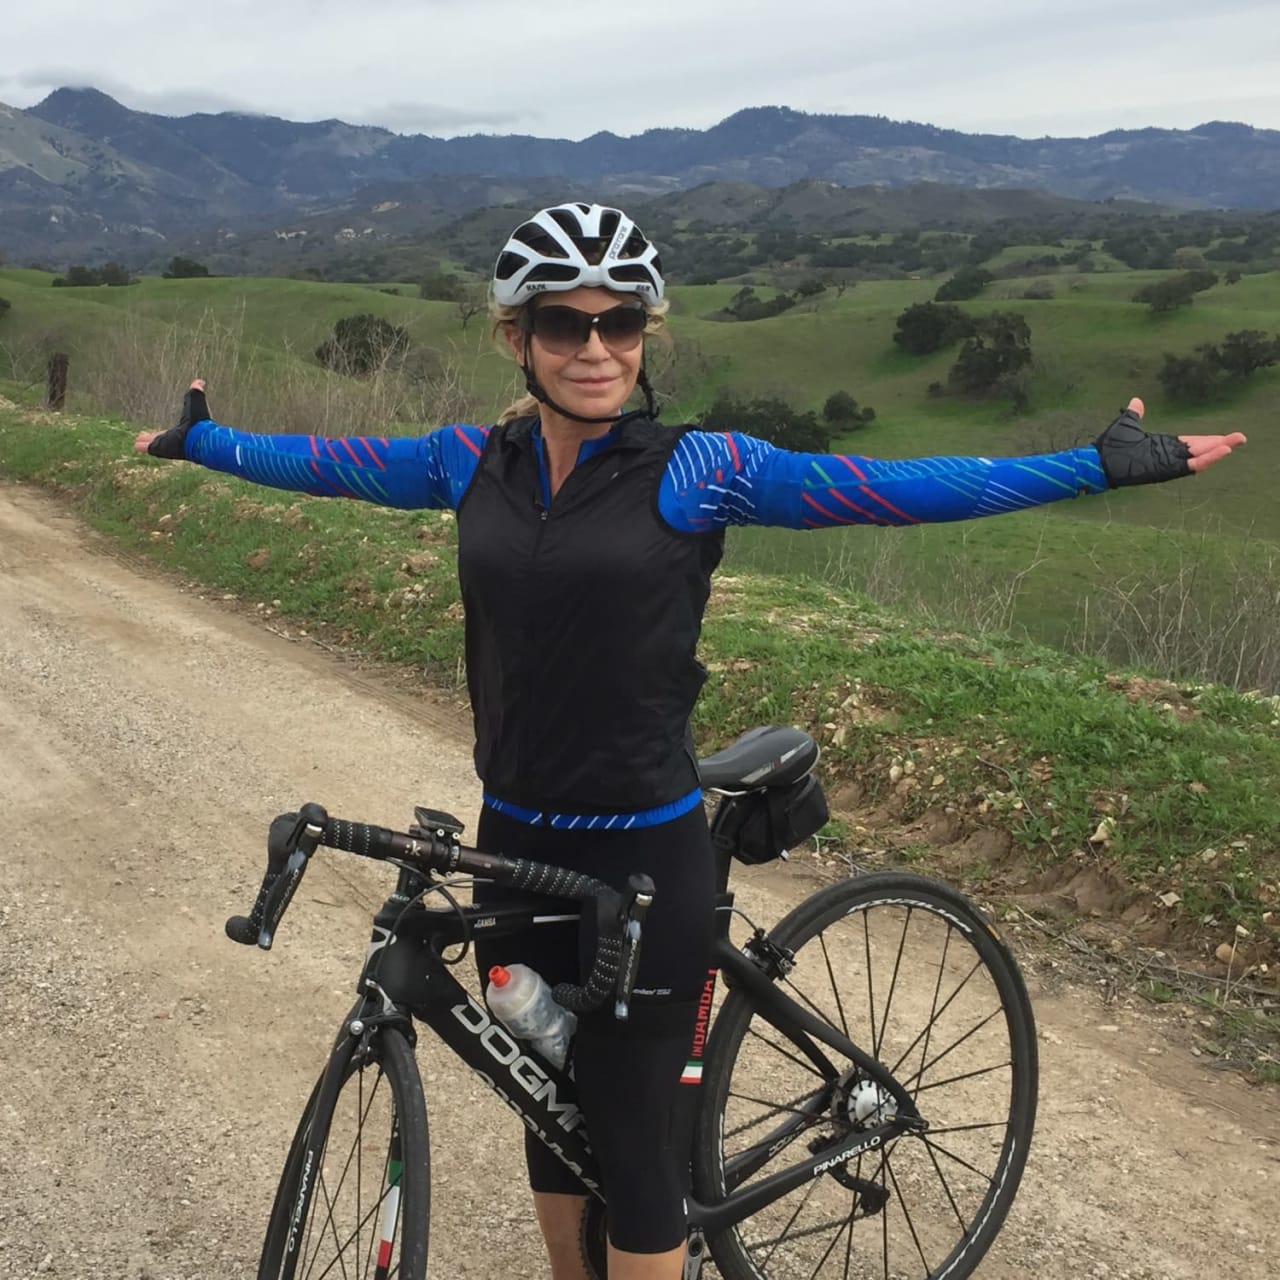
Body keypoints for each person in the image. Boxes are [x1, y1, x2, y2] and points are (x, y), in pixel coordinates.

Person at [134, 201, 1245, 1280]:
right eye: (563, 322)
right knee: (544, 1103)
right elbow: (323, 459)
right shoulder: (471, 460)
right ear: (515, 336)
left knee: (632, 1141)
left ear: (644, 334)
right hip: (511, 830)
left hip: (639, 859)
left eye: (617, 322)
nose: (593, 346)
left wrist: (1089, 465)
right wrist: (205, 439)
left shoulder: (696, 470)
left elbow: (894, 488)